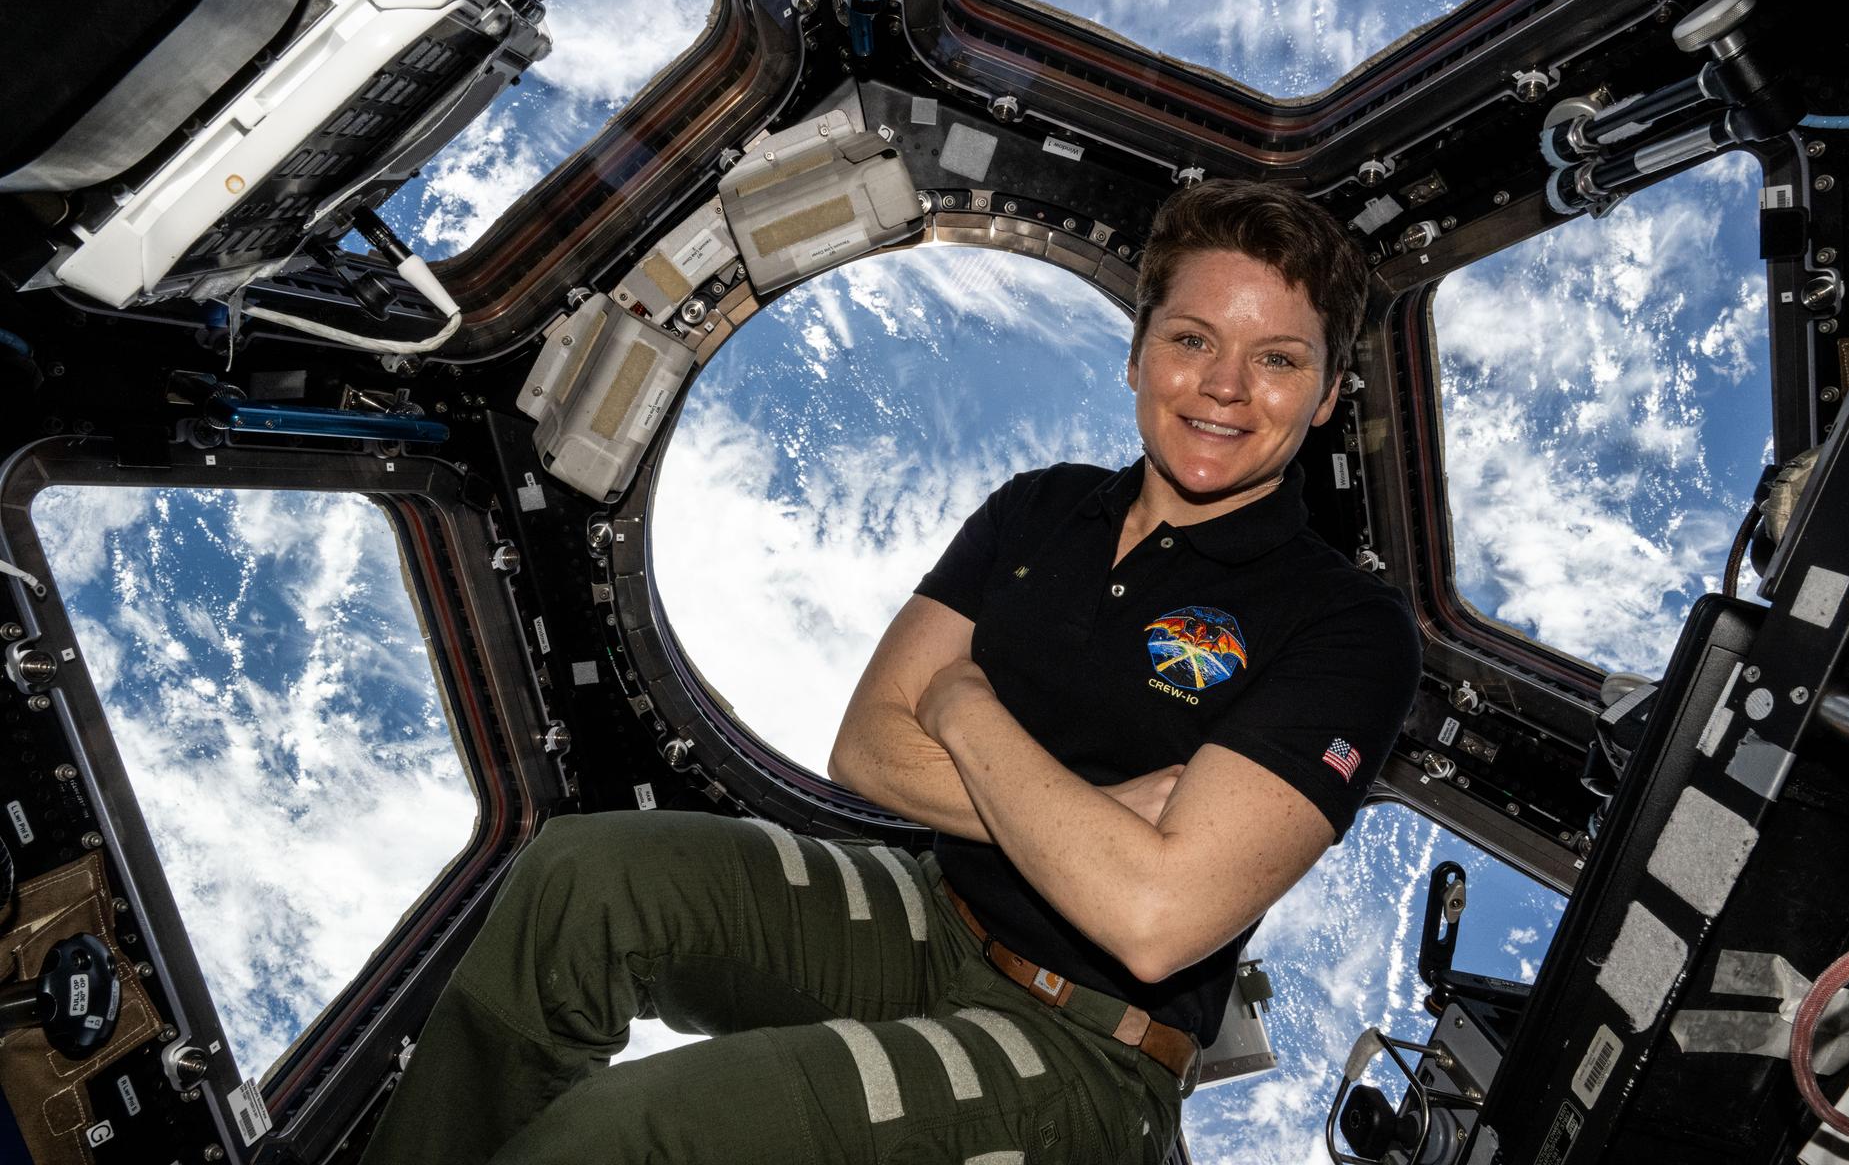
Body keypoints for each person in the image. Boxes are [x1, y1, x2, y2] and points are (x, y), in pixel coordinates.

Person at [359, 179, 1420, 1165]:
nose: (1228, 385)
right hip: (931, 909)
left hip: (1093, 1050)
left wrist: (960, 702)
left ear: (1325, 396)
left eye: (1279, 358)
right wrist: (1103, 820)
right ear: (1137, 353)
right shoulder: (1040, 507)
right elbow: (867, 745)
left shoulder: (1347, 625)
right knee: (581, 881)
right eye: (1194, 338)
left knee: (626, 1135)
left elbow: (1153, 919)